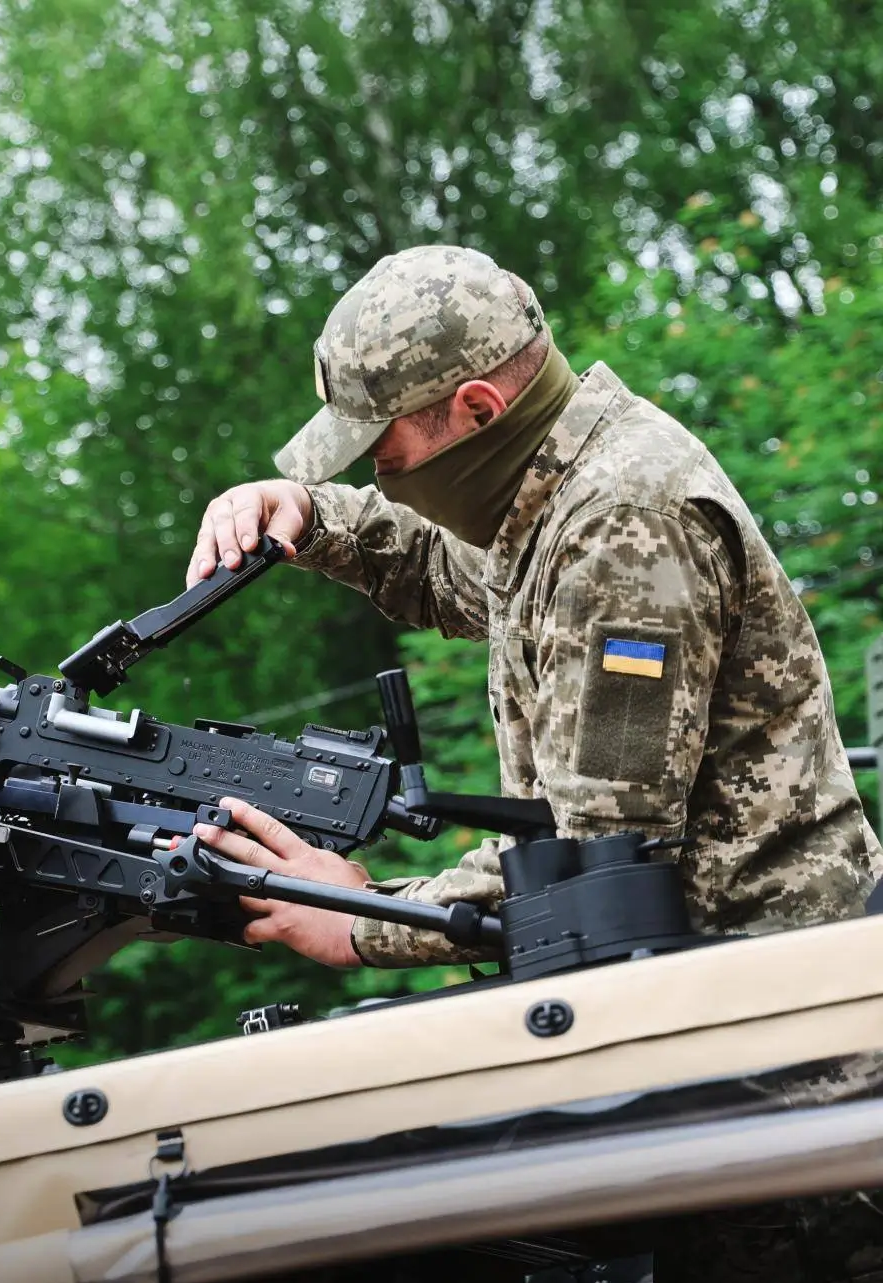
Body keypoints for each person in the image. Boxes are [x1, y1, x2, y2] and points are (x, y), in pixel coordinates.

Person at [184, 243, 883, 970]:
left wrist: (360, 918)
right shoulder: (558, 493)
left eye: (383, 452)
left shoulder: (622, 529)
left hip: (766, 993)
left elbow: (598, 855)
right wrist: (309, 511)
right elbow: (449, 571)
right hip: (698, 971)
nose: (378, 475)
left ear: (478, 409)